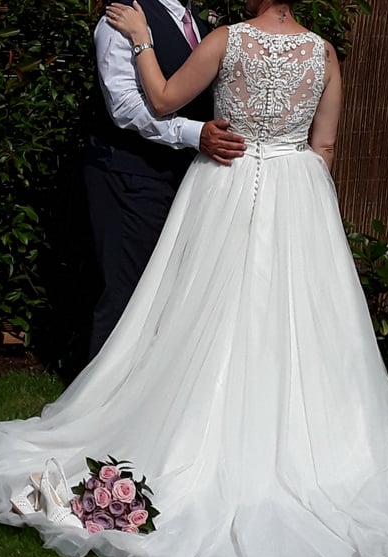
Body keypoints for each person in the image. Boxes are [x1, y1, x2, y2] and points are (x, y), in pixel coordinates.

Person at [0, 0, 388, 557]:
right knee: (292, 322)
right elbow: (324, 147)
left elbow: (161, 100)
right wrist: (302, 208)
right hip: (297, 196)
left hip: (226, 184)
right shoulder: (323, 52)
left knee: (198, 310)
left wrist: (142, 38)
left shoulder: (227, 38)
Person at [84, 0, 246, 358]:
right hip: (129, 172)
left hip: (184, 176)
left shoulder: (199, 23)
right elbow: (124, 106)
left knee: (170, 290)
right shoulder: (122, 18)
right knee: (127, 289)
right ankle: (104, 387)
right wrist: (191, 133)